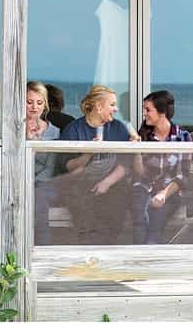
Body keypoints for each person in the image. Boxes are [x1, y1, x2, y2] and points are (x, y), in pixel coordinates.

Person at [57, 85, 138, 244]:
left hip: (112, 182)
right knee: (85, 213)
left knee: (116, 207)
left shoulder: (118, 128)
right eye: (112, 105)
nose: (116, 109)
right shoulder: (74, 129)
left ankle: (104, 250)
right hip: (81, 182)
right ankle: (90, 252)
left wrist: (107, 182)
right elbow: (68, 167)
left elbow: (126, 164)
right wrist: (89, 153)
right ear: (99, 106)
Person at [129, 90, 192, 244]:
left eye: (148, 109)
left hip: (170, 192)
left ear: (162, 111)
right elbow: (139, 173)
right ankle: (140, 257)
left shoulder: (182, 137)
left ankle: (149, 258)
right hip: (143, 188)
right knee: (140, 218)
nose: (144, 113)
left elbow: (183, 175)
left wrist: (163, 194)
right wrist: (136, 150)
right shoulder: (143, 135)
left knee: (156, 221)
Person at [25, 81, 60, 245]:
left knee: (39, 199)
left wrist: (34, 147)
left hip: (43, 183)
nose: (34, 107)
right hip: (19, 180)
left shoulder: (54, 132)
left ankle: (41, 251)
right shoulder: (12, 130)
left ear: (45, 105)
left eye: (39, 103)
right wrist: (25, 140)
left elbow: (50, 168)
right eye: (29, 102)